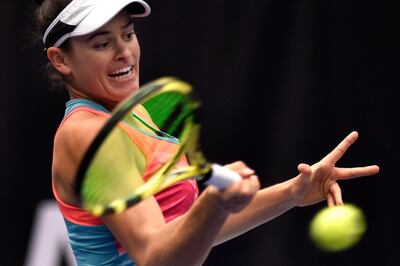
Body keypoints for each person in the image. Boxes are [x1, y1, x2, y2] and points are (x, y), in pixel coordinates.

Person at [35, 0, 380, 265]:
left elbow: (184, 232)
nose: (125, 52)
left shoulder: (133, 112)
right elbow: (155, 255)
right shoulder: (90, 134)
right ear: (60, 59)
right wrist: (212, 206)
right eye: (102, 44)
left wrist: (292, 192)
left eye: (128, 34)